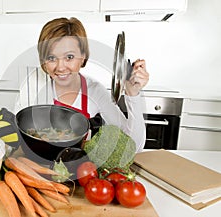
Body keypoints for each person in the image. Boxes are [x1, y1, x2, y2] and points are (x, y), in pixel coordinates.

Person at [21, 17, 149, 152]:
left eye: (69, 57)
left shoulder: (95, 91)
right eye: (51, 58)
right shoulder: (33, 87)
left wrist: (132, 94)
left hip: (80, 168)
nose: (60, 67)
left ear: (83, 56)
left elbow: (134, 147)